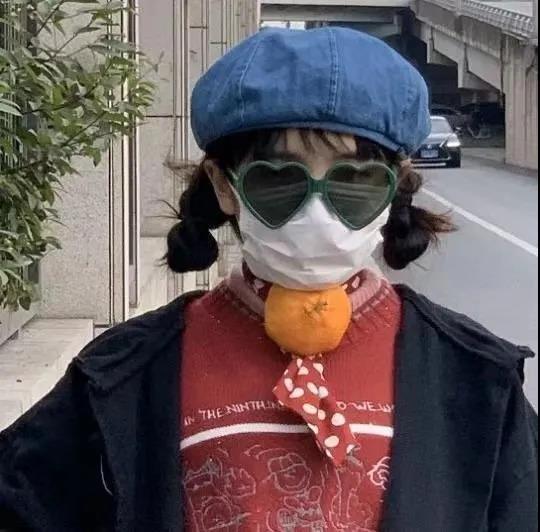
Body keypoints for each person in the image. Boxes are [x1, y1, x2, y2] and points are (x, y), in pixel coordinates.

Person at [0, 27, 537, 532]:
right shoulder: (123, 377)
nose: (317, 214)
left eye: (354, 181)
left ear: (395, 186)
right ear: (224, 185)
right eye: (279, 180)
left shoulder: (475, 379)